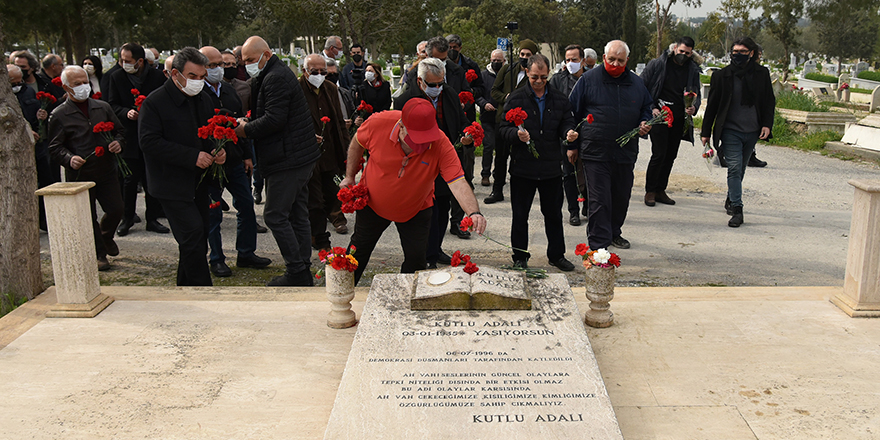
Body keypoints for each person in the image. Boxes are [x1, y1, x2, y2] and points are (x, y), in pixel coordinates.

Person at [340, 99, 487, 285]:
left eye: (427, 139)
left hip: (416, 209)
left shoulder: (441, 143)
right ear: (401, 127)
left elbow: (457, 181)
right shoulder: (378, 123)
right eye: (417, 139)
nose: (422, 145)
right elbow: (357, 142)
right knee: (357, 252)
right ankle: (341, 293)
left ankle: (407, 297)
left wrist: (473, 213)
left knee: (417, 260)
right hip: (373, 205)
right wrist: (350, 176)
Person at [236, 36, 321, 287]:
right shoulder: (273, 73)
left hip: (288, 158)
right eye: (245, 61)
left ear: (266, 54)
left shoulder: (275, 77)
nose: (248, 65)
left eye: (251, 59)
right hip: (296, 155)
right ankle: (302, 267)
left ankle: (297, 270)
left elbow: (274, 119)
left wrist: (245, 129)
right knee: (296, 213)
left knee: (275, 215)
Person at [139, 47, 225, 286]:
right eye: (192, 76)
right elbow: (148, 142)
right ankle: (202, 290)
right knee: (192, 235)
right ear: (175, 74)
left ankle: (185, 286)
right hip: (170, 183)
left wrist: (218, 150)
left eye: (202, 77)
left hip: (198, 181)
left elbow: (207, 133)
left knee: (197, 237)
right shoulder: (155, 102)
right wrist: (191, 156)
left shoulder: (203, 98)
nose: (198, 81)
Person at [568, 40, 653, 251]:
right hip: (595, 151)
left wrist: (645, 121)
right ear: (604, 58)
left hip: (625, 152)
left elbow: (647, 107)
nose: (615, 64)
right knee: (600, 199)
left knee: (621, 197)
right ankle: (599, 245)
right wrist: (572, 145)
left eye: (620, 61)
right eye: (612, 59)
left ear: (627, 60)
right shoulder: (588, 80)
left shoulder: (637, 83)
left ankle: (615, 232)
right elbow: (572, 114)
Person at [499, 54, 578, 271]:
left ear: (549, 73)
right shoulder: (516, 98)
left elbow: (567, 122)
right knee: (520, 215)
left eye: (543, 77)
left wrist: (569, 133)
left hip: (551, 167)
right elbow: (503, 129)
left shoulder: (559, 99)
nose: (539, 81)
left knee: (553, 215)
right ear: (527, 72)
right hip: (523, 168)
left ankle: (556, 255)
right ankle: (520, 256)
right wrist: (516, 135)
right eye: (535, 77)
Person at [199, 46, 271, 278]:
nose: (218, 69)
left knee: (246, 207)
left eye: (219, 64)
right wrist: (209, 151)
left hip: (235, 161)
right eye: (211, 65)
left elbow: (240, 126)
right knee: (213, 214)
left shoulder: (229, 91)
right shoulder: (198, 94)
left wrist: (247, 155)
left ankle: (246, 253)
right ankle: (216, 258)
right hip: (210, 164)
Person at [394, 57, 473, 268]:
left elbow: (462, 121)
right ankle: (425, 256)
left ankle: (435, 250)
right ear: (420, 81)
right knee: (426, 214)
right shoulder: (405, 101)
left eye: (441, 83)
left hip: (445, 160)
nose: (438, 88)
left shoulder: (450, 94)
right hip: (420, 165)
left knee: (442, 210)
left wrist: (466, 135)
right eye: (433, 84)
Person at [47, 66, 126, 271]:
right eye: (77, 84)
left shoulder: (102, 107)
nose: (83, 87)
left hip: (106, 169)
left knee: (116, 209)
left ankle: (105, 236)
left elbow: (120, 131)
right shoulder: (59, 114)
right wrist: (69, 158)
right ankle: (99, 253)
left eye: (85, 82)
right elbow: (54, 147)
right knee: (87, 216)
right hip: (80, 174)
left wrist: (118, 143)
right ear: (66, 87)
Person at [700, 36, 775, 228]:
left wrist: (767, 124)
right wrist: (705, 131)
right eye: (735, 52)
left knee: (740, 168)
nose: (738, 55)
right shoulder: (722, 76)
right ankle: (737, 209)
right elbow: (712, 105)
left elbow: (768, 100)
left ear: (751, 53)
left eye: (743, 52)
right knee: (734, 167)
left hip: (752, 129)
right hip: (730, 129)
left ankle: (731, 196)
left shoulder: (761, 74)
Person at [107, 43, 169, 236]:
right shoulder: (117, 77)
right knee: (129, 180)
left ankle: (152, 218)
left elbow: (164, 103)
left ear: (140, 61)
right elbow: (112, 104)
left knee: (151, 179)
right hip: (129, 136)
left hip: (152, 135)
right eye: (122, 60)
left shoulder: (157, 77)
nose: (123, 63)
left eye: (128, 60)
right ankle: (127, 218)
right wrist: (127, 112)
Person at [640, 36, 702, 207]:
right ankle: (650, 191)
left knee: (670, 155)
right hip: (659, 116)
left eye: (687, 53)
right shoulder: (658, 64)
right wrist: (651, 107)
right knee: (659, 154)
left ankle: (661, 189)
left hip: (679, 117)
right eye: (681, 51)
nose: (683, 55)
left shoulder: (692, 69)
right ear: (675, 48)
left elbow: (696, 92)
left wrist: (693, 107)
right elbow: (642, 86)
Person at [299, 54, 351, 251]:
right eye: (315, 71)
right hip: (308, 155)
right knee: (315, 201)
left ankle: (331, 223)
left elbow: (339, 122)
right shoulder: (297, 89)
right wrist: (306, 136)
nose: (319, 75)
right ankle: (319, 238)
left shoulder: (330, 88)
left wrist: (347, 151)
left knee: (332, 194)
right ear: (305, 71)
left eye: (323, 72)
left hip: (330, 153)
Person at [486, 39, 538, 205]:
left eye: (528, 55)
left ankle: (521, 192)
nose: (524, 57)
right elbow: (494, 91)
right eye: (522, 54)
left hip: (523, 122)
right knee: (500, 157)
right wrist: (506, 98)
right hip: (503, 120)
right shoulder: (508, 69)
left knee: (520, 158)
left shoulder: (535, 74)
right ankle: (497, 190)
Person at [9, 64, 53, 230]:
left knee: (45, 182)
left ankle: (45, 219)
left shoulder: (28, 91)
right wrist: (24, 131)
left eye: (19, 81)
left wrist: (41, 116)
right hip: (15, 150)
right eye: (13, 83)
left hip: (37, 147)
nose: (17, 85)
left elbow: (35, 113)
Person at [549, 44, 589, 226]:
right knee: (569, 173)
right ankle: (573, 210)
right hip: (566, 133)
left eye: (574, 59)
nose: (571, 63)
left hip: (588, 132)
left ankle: (588, 205)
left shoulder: (591, 79)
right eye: (568, 60)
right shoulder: (558, 80)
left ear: (583, 61)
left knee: (588, 172)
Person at [478, 49, 504, 188]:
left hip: (502, 118)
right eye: (494, 60)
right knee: (488, 146)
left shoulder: (506, 76)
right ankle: (485, 174)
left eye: (499, 61)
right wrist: (484, 104)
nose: (496, 63)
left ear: (503, 61)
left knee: (501, 148)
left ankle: (498, 174)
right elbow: (478, 95)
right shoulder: (483, 76)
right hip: (487, 117)